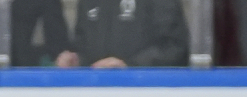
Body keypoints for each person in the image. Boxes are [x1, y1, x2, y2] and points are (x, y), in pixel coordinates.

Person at [57, 0, 188, 67]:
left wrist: (129, 66)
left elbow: (174, 47)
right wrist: (76, 60)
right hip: (97, 95)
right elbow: (82, 44)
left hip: (145, 94)